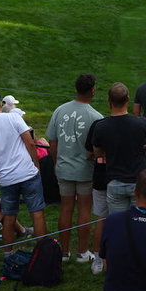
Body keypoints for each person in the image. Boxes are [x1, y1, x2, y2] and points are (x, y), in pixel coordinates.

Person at [0, 90, 47, 251]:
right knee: (37, 213)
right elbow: (30, 143)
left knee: (9, 217)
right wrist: (37, 165)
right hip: (28, 173)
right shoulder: (14, 117)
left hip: (7, 179)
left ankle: (9, 254)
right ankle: (43, 251)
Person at [47, 73, 103, 262]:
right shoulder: (96, 117)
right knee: (85, 209)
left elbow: (52, 142)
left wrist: (56, 163)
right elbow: (98, 149)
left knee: (66, 208)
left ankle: (64, 252)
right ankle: (81, 252)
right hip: (85, 171)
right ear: (92, 90)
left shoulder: (59, 110)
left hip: (63, 168)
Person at [88, 82, 146, 217]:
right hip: (139, 182)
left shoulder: (101, 126)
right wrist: (144, 148)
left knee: (118, 224)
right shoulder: (141, 122)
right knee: (139, 223)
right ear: (128, 99)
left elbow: (97, 152)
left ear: (109, 101)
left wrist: (111, 151)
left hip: (115, 182)